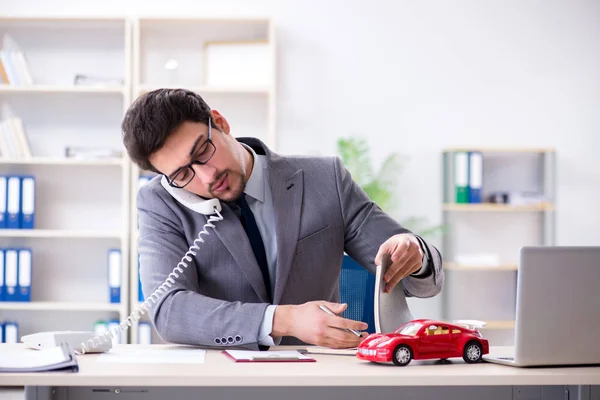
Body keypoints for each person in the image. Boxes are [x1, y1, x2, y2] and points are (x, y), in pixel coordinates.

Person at [122, 88, 444, 350]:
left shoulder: (324, 179)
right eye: (182, 173)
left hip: (317, 380)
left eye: (203, 151)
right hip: (221, 383)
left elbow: (419, 281)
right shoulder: (161, 203)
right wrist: (284, 320)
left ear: (220, 122)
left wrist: (414, 255)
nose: (206, 177)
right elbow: (169, 311)